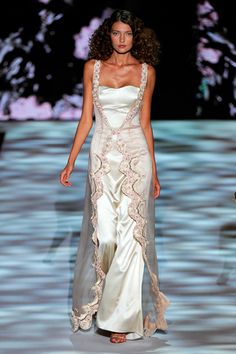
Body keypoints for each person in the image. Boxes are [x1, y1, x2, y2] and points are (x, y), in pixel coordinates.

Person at [60, 9, 170, 344]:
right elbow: (85, 119)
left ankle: (120, 318)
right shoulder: (92, 68)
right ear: (108, 35)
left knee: (132, 237)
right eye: (116, 33)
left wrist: (154, 170)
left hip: (136, 157)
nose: (122, 40)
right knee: (106, 235)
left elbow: (146, 123)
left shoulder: (146, 72)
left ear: (136, 37)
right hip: (103, 157)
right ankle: (108, 302)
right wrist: (70, 161)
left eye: (127, 34)